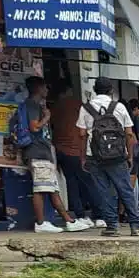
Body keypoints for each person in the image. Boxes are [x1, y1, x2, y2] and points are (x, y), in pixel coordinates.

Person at [13, 76, 84, 233]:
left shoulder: (32, 105)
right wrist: (46, 117)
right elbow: (35, 127)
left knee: (50, 187)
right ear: (38, 88)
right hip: (37, 151)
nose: (47, 90)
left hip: (40, 151)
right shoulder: (32, 106)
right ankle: (41, 222)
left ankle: (68, 221)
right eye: (45, 87)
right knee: (41, 187)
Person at [78, 79, 139, 236]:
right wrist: (130, 155)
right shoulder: (119, 107)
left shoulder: (85, 108)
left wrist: (83, 158)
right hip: (118, 156)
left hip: (94, 157)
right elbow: (129, 134)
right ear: (111, 90)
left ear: (94, 89)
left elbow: (82, 135)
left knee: (104, 191)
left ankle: (112, 226)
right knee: (125, 189)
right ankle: (136, 226)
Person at [49, 78, 101, 227]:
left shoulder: (54, 108)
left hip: (60, 150)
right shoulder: (77, 104)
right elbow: (85, 129)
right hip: (76, 150)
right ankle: (98, 214)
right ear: (68, 91)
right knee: (89, 182)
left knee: (71, 182)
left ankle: (79, 214)